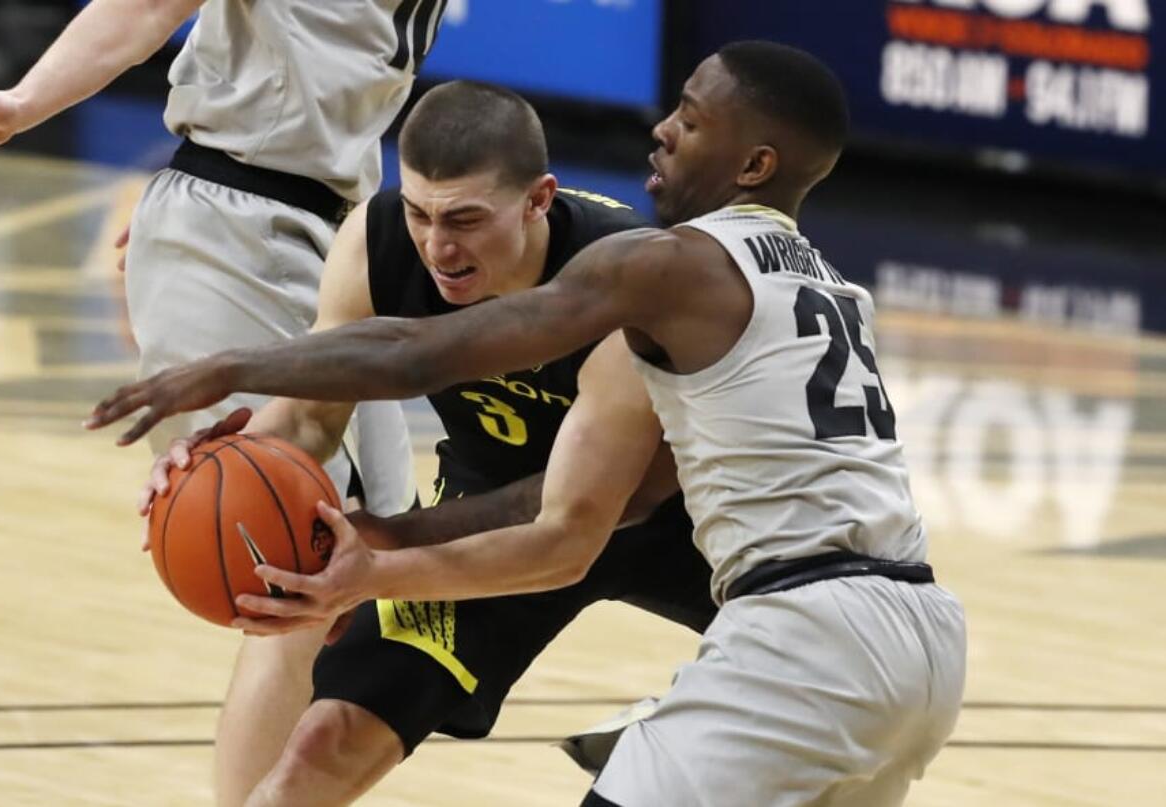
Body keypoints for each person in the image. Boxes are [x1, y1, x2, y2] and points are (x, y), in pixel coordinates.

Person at [88, 41, 968, 806]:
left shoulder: (654, 268)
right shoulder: (826, 279)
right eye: (423, 215)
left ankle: (712, 720)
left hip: (721, 569)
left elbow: (457, 400)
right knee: (328, 739)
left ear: (754, 164)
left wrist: (232, 369)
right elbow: (324, 420)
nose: (661, 129)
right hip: (914, 626)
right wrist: (234, 466)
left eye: (691, 121)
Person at [133, 80, 716, 806]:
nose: (439, 246)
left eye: (466, 219)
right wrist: (210, 466)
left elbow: (576, 522)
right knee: (324, 742)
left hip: (678, 521)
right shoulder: (375, 244)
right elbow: (309, 421)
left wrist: (381, 557)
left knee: (834, 676)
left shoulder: (620, 274)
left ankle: (688, 737)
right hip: (485, 507)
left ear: (539, 198)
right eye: (419, 212)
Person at [0, 1, 437, 802]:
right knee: (298, 584)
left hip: (327, 236)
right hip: (238, 227)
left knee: (375, 578)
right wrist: (23, 104)